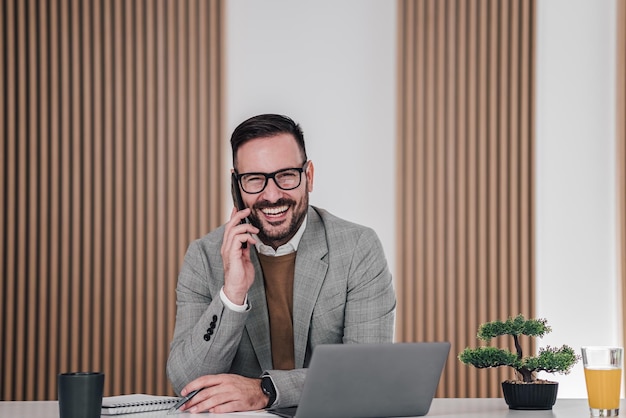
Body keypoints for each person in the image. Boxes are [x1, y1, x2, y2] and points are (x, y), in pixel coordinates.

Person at [166, 114, 396, 414]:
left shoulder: (357, 248)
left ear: (309, 176)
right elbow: (187, 383)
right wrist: (232, 295)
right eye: (255, 179)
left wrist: (267, 390)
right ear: (236, 184)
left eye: (286, 175)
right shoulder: (204, 256)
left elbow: (367, 373)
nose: (272, 195)